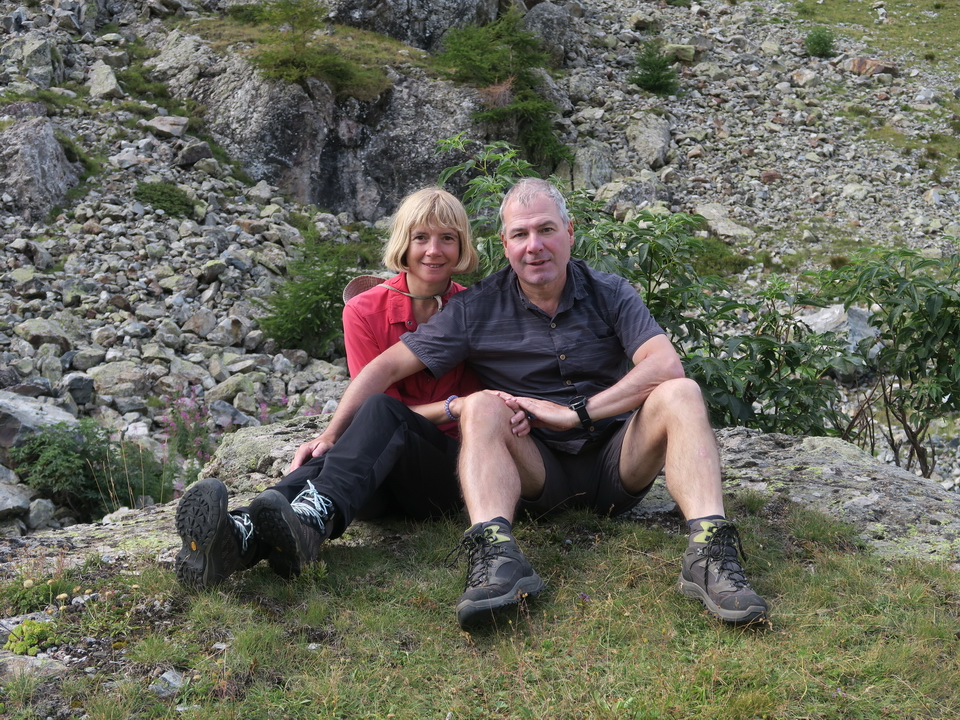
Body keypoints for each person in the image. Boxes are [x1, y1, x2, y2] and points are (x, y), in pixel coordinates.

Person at [293, 177, 769, 629]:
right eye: (520, 234)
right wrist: (331, 434)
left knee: (681, 392)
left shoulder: (610, 291)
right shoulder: (475, 308)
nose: (534, 245)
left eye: (546, 229)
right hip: (536, 469)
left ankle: (709, 553)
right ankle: (495, 554)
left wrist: (576, 412)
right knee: (481, 404)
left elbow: (665, 364)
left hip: (618, 461)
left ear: (569, 232)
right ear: (505, 244)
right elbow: (382, 369)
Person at [174, 187, 527, 589]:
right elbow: (377, 416)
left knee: (376, 414)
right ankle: (240, 538)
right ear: (403, 242)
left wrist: (460, 408)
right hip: (379, 476)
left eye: (447, 238)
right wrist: (330, 437)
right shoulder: (364, 310)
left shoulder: (476, 307)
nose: (434, 250)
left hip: (453, 473)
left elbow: (385, 413)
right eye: (421, 238)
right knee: (334, 454)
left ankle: (293, 522)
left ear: (461, 245)